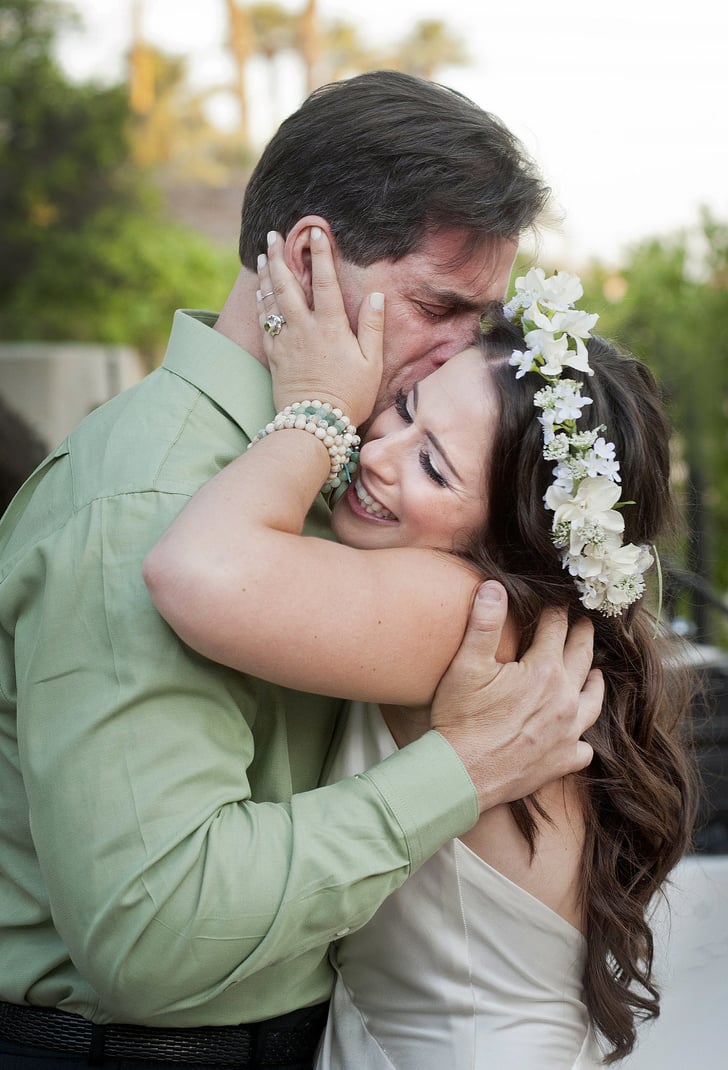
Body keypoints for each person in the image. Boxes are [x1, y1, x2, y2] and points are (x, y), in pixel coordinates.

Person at [0, 71, 601, 1069]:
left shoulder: (344, 480)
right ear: (312, 258)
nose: (466, 357)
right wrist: (453, 773)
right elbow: (157, 931)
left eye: (481, 322)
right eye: (437, 307)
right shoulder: (149, 504)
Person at [142, 234, 697, 1067]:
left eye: (434, 468)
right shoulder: (498, 610)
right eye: (404, 409)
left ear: (507, 537)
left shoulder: (460, 611)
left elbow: (196, 570)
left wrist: (316, 410)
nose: (375, 452)